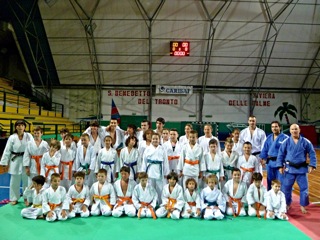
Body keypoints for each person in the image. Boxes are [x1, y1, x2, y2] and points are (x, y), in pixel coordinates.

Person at [276, 123, 317, 214]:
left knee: (304, 188)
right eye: (292, 129)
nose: (294, 131)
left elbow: (312, 153)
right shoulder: (286, 142)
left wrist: (312, 165)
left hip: (301, 169)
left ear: (299, 130)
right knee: (286, 188)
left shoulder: (306, 142)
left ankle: (303, 205)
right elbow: (281, 154)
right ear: (290, 131)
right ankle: (287, 204)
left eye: (296, 129)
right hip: (289, 169)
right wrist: (280, 166)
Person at [0, 120, 32, 205]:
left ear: (24, 127)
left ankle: (26, 198)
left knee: (26, 180)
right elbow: (7, 150)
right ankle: (14, 198)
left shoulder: (28, 136)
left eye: (22, 125)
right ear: (16, 127)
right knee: (14, 180)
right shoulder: (12, 137)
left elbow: (33, 147)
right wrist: (4, 162)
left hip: (26, 159)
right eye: (18, 125)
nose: (20, 127)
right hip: (15, 159)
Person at [260, 121, 289, 190]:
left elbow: (289, 151)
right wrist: (263, 159)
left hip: (280, 163)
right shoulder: (269, 137)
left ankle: (280, 197)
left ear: (280, 127)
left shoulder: (285, 138)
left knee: (280, 181)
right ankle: (270, 196)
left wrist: (286, 163)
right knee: (270, 180)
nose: (274, 128)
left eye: (276, 126)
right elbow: (265, 149)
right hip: (270, 163)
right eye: (272, 127)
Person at [142, 132, 169, 203]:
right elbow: (144, 161)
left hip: (159, 171)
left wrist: (166, 172)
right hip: (150, 171)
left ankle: (161, 203)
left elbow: (165, 162)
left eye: (156, 139)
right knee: (150, 188)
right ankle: (150, 203)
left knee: (160, 188)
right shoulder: (147, 149)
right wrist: (143, 172)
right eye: (153, 139)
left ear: (159, 140)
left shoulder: (163, 149)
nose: (155, 140)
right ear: (151, 139)